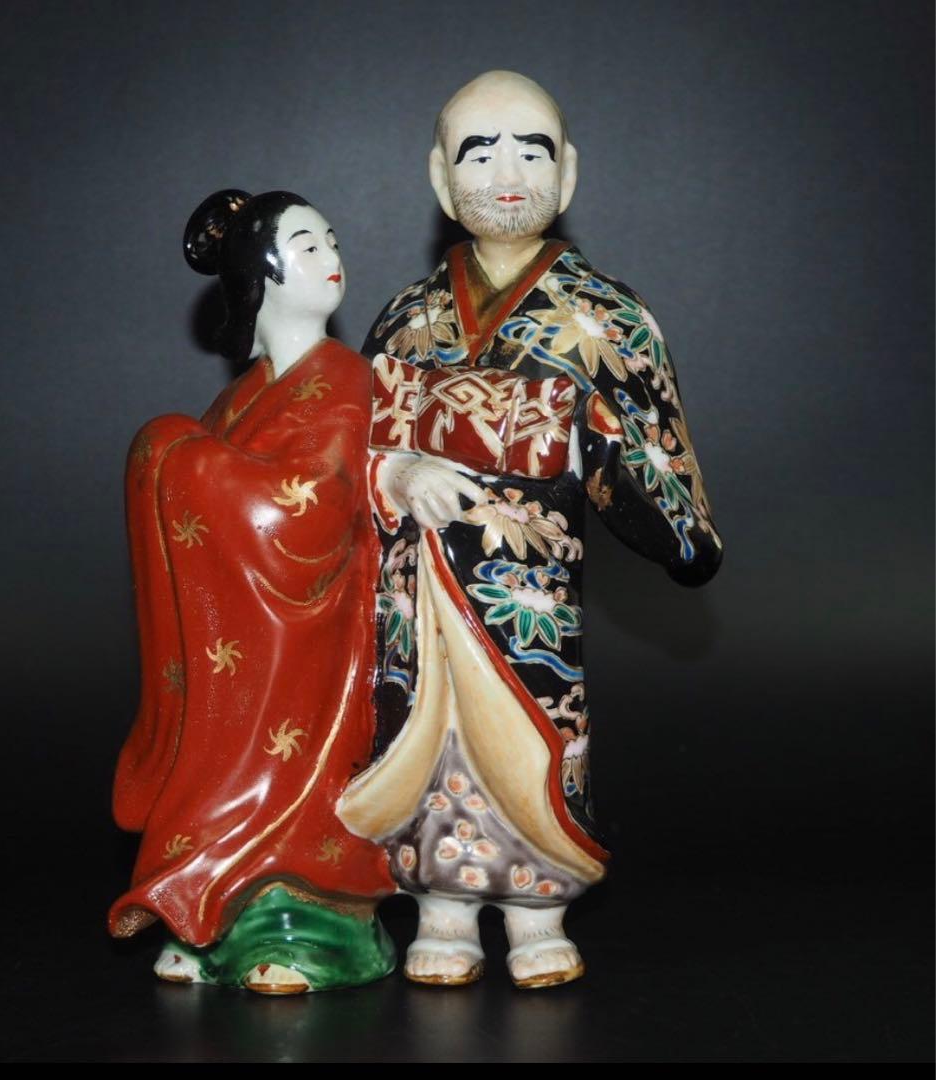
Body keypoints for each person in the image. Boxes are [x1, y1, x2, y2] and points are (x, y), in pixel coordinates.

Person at [337, 72, 723, 989]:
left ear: (569, 173)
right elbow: (346, 450)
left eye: (531, 151)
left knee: (537, 736)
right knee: (422, 741)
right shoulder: (404, 319)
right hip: (418, 596)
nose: (506, 174)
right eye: (478, 153)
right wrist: (396, 473)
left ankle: (537, 910)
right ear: (440, 179)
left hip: (528, 596)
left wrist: (596, 446)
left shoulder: (608, 318)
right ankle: (441, 906)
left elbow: (666, 479)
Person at [109, 189, 395, 993]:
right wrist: (181, 457)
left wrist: (180, 458)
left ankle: (304, 932)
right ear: (260, 274)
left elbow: (316, 503)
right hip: (233, 641)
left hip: (310, 627)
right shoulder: (238, 396)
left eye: (331, 239)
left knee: (295, 776)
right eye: (307, 245)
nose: (332, 257)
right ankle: (206, 922)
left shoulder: (343, 374)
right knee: (219, 760)